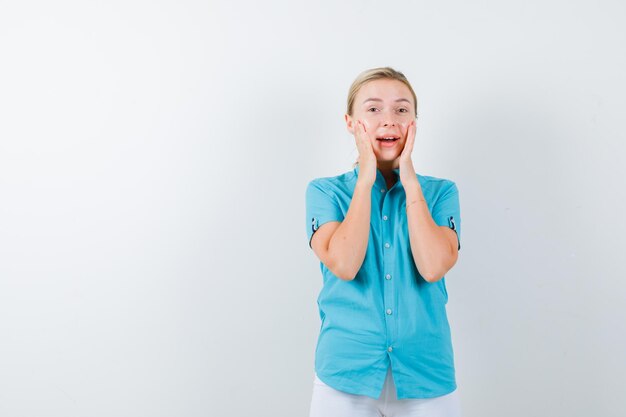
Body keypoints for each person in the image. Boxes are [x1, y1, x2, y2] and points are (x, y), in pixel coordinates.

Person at [305, 67, 463, 417]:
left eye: (402, 110)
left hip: (427, 376)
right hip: (345, 376)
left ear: (414, 123)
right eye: (373, 109)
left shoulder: (441, 193)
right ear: (351, 122)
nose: (388, 120)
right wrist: (365, 178)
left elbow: (433, 266)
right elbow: (344, 265)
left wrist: (409, 178)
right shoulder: (325, 191)